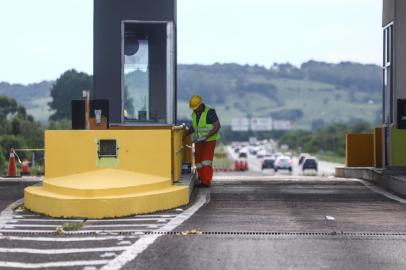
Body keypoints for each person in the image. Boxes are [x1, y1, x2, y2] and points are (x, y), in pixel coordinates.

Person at [183, 96, 221, 187]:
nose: (194, 110)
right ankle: (201, 178)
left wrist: (207, 136)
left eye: (195, 108)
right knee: (199, 161)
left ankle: (206, 181)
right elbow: (194, 127)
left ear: (200, 105)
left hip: (209, 140)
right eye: (193, 109)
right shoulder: (194, 114)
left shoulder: (210, 112)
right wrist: (185, 134)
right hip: (199, 141)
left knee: (206, 161)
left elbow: (217, 126)